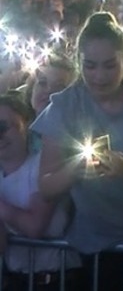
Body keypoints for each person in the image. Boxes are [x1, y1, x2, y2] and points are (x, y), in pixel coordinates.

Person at [33, 11, 123, 289]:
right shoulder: (63, 106)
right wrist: (75, 169)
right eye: (90, 66)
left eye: (109, 66)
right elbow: (46, 186)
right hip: (91, 242)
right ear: (79, 63)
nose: (99, 76)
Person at [0, 95, 82, 290]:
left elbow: (35, 227)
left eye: (3, 127)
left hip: (57, 279)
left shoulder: (44, 166)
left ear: (26, 124)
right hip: (15, 279)